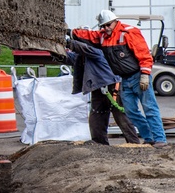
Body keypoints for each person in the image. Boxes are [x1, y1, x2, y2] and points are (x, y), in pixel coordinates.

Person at [71, 9, 167, 146]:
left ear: (115, 21)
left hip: (138, 76)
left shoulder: (129, 32)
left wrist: (145, 74)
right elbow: (90, 35)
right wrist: (71, 32)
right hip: (125, 79)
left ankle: (160, 139)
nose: (105, 28)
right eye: (102, 26)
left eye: (107, 25)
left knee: (150, 108)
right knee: (130, 111)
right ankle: (149, 137)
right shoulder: (103, 36)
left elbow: (144, 53)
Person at [66, 37, 141, 145]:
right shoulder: (83, 55)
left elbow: (85, 49)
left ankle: (134, 144)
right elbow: (72, 58)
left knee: (121, 117)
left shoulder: (99, 49)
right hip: (99, 88)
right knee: (96, 117)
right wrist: (57, 53)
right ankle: (100, 145)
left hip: (112, 87)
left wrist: (69, 43)